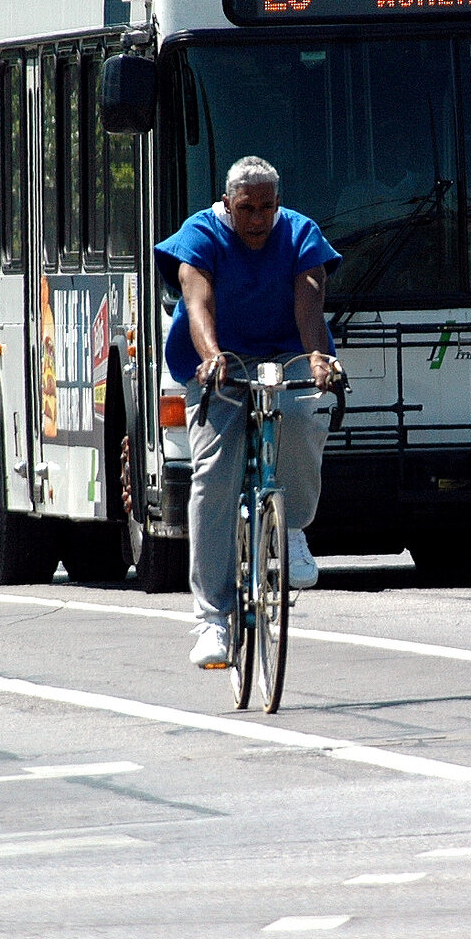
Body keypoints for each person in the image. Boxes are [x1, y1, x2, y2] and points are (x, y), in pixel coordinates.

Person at [157, 156, 343, 670]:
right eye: (246, 208)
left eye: (267, 207)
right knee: (213, 475)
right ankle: (211, 619)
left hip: (286, 353)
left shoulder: (299, 232)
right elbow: (197, 303)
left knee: (305, 414)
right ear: (228, 203)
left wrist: (316, 357)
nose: (258, 219)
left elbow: (309, 297)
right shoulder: (201, 234)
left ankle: (294, 529)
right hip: (218, 363)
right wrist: (212, 356)